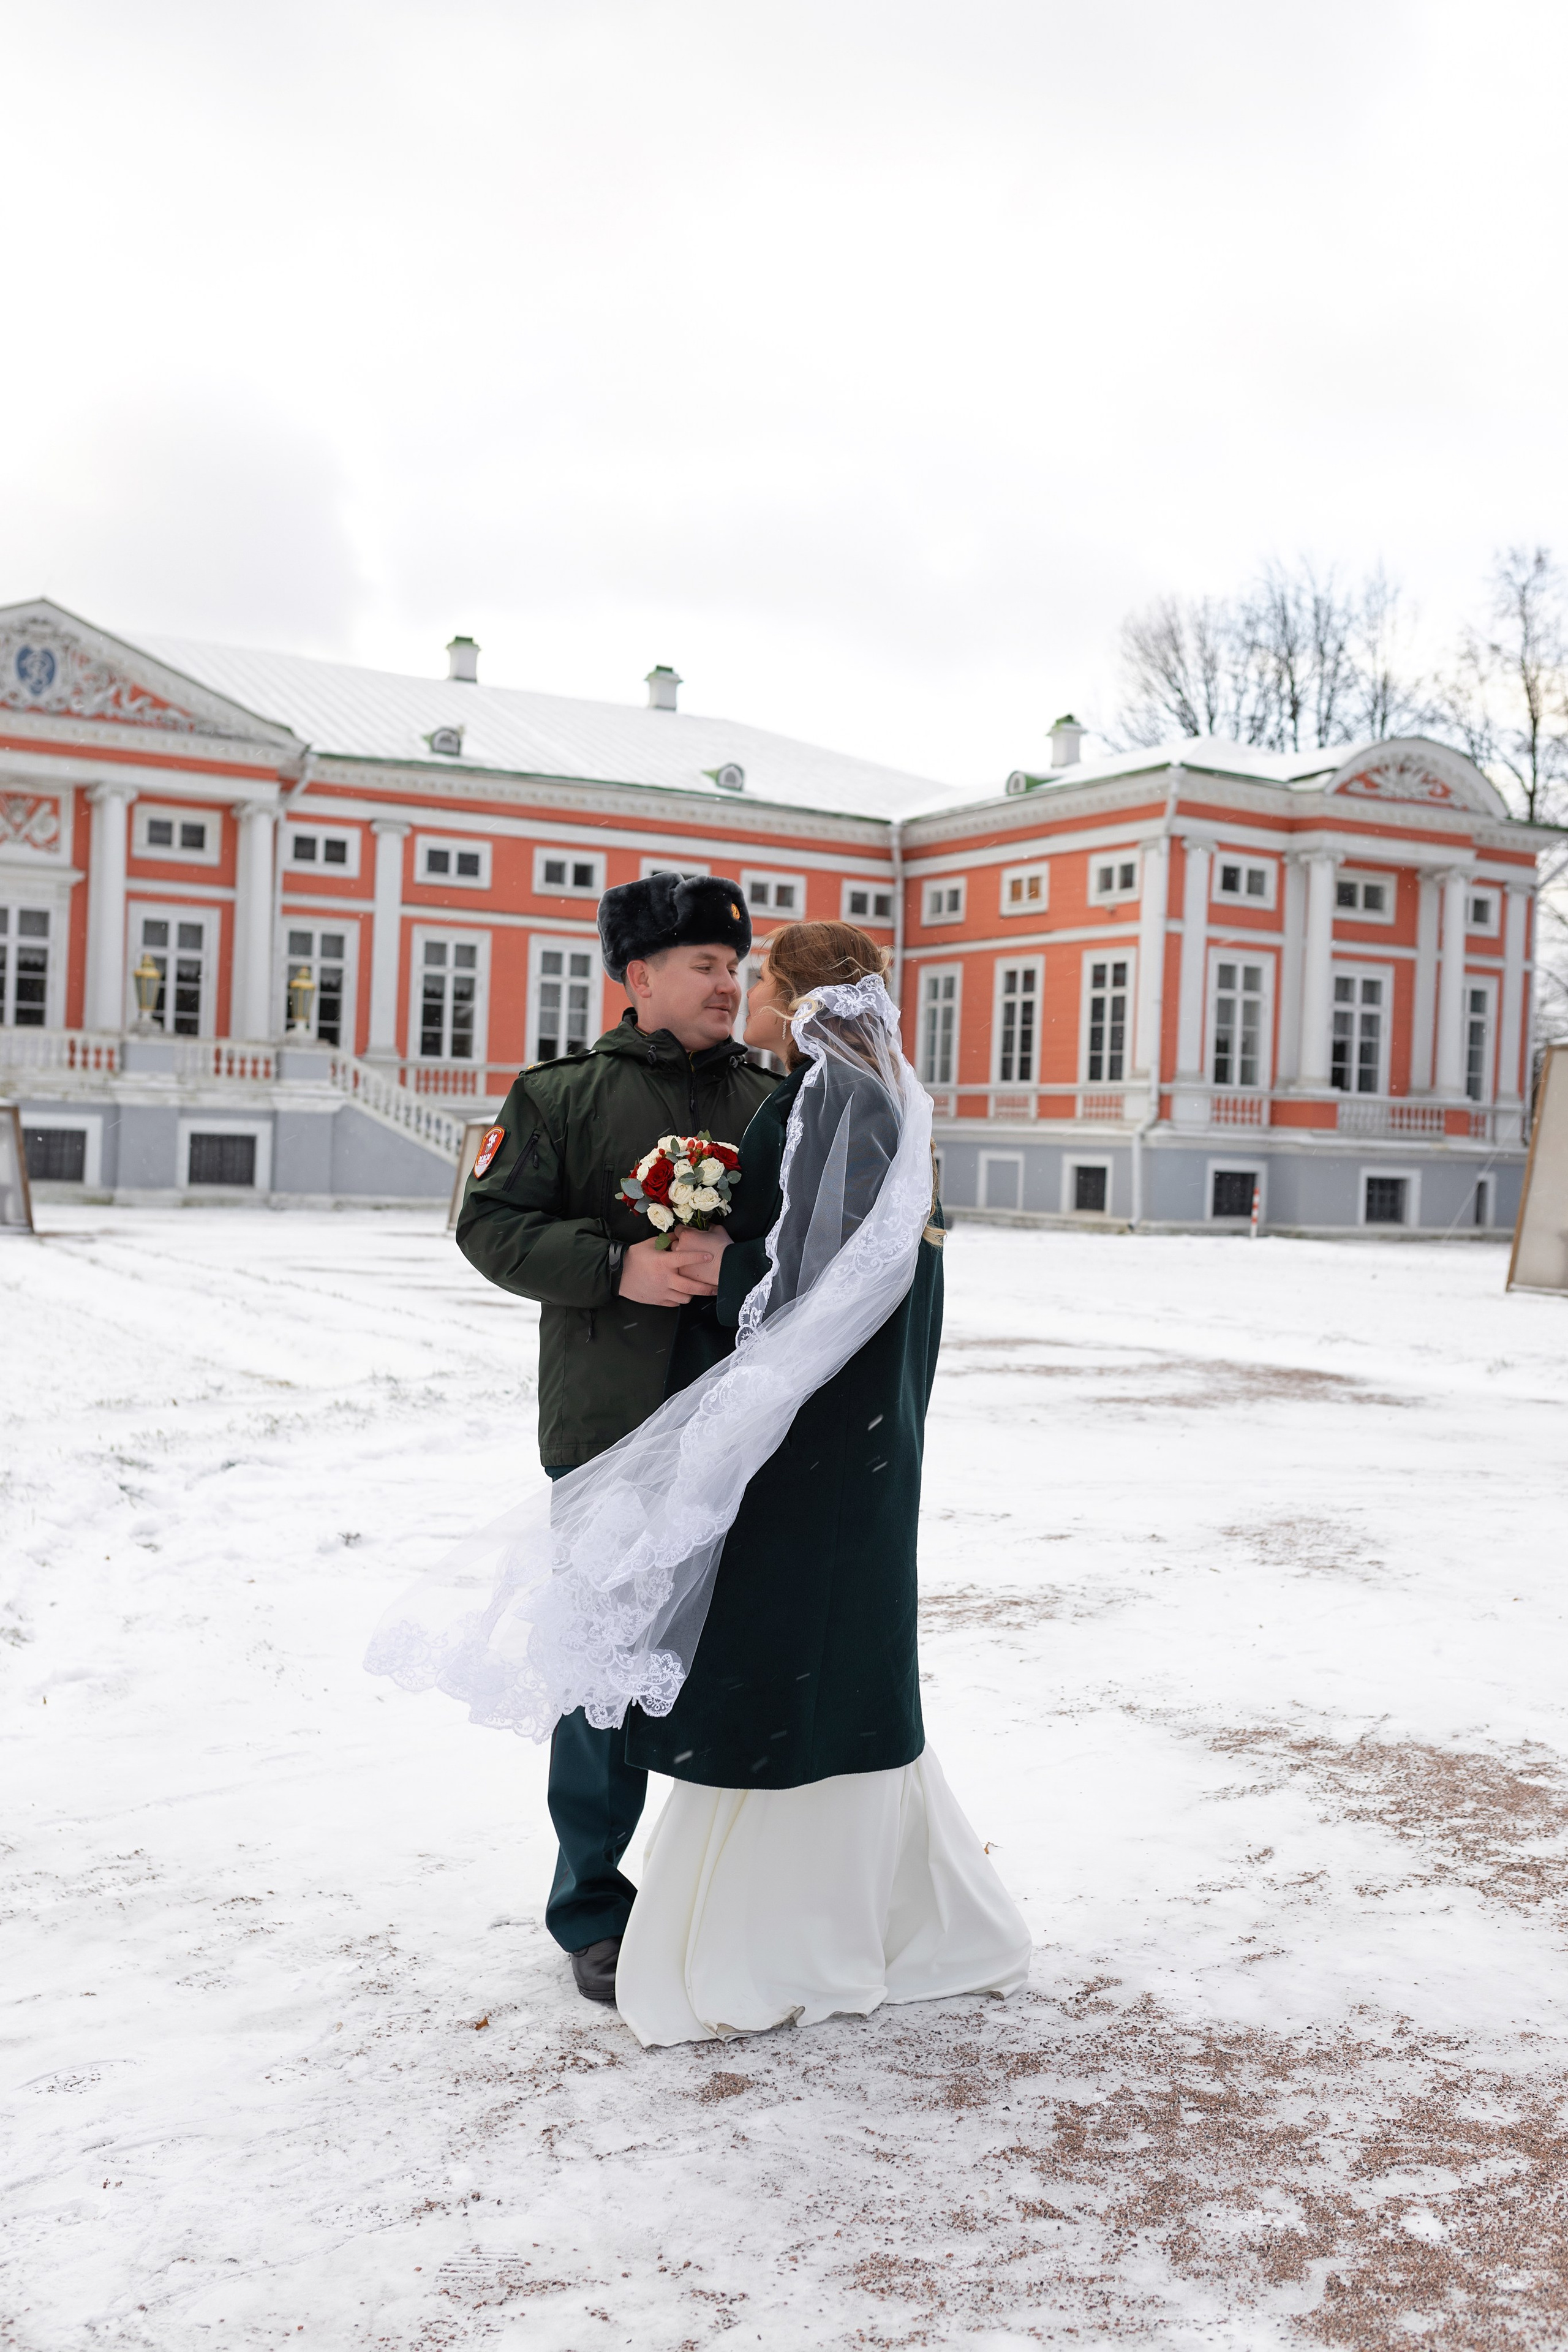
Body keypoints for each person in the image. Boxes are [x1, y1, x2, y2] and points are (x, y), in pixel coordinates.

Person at [610, 921, 1031, 2044]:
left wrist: (713, 1265)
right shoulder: (866, 1096)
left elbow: (821, 1281)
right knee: (827, 1650)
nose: (743, 996)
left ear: (796, 1000)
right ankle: (874, 1916)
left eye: (760, 982)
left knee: (786, 1649)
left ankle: (785, 1939)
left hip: (820, 1445)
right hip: (855, 1436)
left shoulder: (836, 1104)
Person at [453, 872, 777, 2005]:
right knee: (602, 1681)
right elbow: (487, 1227)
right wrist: (617, 1265)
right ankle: (593, 1907)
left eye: (736, 967)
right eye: (704, 965)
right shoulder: (562, 1098)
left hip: (747, 1438)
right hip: (612, 1435)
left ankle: (733, 1891)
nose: (729, 984)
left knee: (741, 1670)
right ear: (638, 978)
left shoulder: (771, 1099)